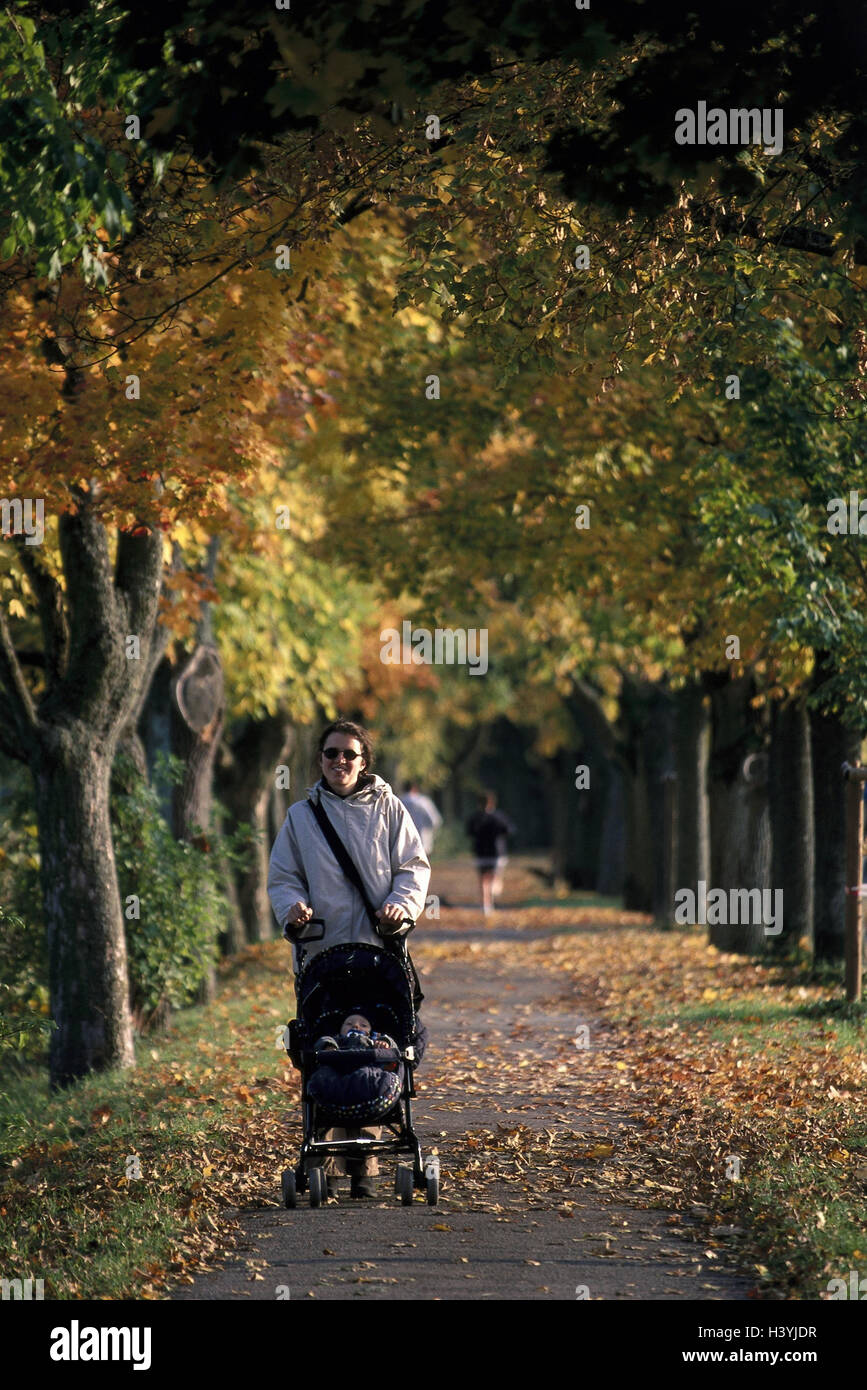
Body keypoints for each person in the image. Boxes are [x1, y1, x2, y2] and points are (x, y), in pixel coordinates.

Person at [267, 719, 430, 1199]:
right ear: (320, 760)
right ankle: (333, 1159)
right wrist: (292, 909)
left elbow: (413, 867)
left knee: (376, 1043)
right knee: (329, 1040)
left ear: (364, 762)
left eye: (349, 755)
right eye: (331, 753)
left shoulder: (389, 809)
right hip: (323, 950)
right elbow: (283, 875)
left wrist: (402, 904)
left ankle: (369, 1161)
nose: (340, 761)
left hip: (379, 947)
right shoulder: (301, 817)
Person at [466, 790, 514, 916]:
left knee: (483, 880)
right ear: (492, 803)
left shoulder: (475, 817)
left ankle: (486, 905)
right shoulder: (498, 816)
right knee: (492, 878)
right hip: (496, 852)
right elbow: (509, 830)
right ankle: (489, 900)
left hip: (481, 852)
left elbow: (469, 832)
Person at [399, 782, 443, 856]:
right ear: (414, 789)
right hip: (422, 839)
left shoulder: (398, 801)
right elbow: (434, 820)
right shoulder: (423, 801)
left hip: (403, 842)